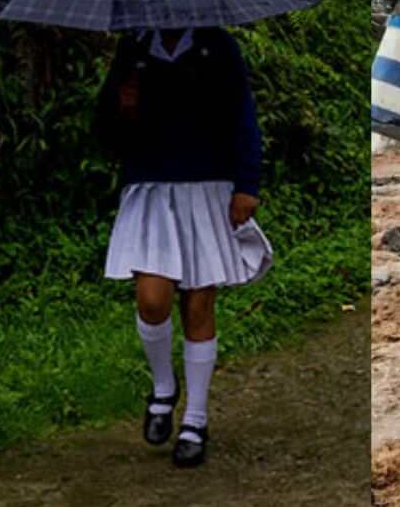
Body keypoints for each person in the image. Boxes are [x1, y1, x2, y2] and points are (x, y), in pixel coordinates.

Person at [94, 26, 272, 468]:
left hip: (209, 187)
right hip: (149, 185)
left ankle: (195, 419)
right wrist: (122, 105)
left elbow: (241, 116)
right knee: (151, 301)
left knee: (199, 304)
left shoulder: (218, 46)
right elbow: (103, 133)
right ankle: (163, 387)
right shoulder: (133, 47)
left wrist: (246, 184)